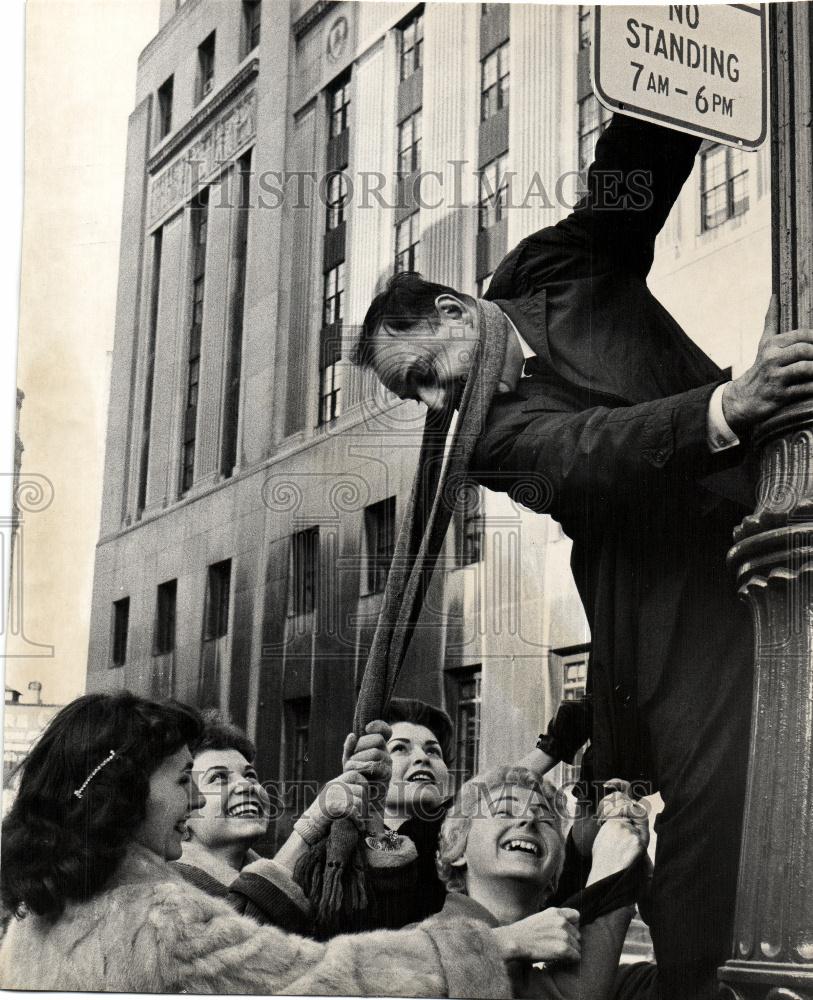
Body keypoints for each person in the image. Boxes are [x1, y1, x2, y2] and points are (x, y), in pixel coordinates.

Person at [352, 112, 813, 998]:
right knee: (714, 819)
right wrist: (724, 407)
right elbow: (590, 451)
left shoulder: (545, 269)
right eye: (417, 394)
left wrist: (669, 79)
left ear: (457, 310)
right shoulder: (485, 441)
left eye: (425, 372)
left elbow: (623, 194)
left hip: (776, 504)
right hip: (675, 604)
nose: (434, 399)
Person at [0, 692, 582, 997]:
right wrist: (491, 945)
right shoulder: (160, 918)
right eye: (188, 782)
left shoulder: (41, 906)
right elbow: (326, 979)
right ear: (127, 794)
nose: (200, 801)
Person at [430, 766, 649, 999]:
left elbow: (682, 979)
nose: (529, 818)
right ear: (457, 848)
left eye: (545, 818)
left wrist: (636, 863)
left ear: (556, 870)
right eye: (504, 811)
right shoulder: (416, 949)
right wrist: (610, 876)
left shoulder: (611, 978)